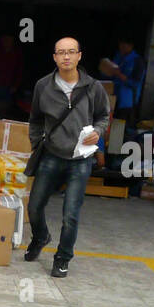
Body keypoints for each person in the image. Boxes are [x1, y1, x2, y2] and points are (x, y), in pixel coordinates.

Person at [26, 37, 112, 278]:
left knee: (70, 214)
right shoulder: (43, 86)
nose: (66, 56)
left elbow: (104, 115)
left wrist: (98, 131)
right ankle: (41, 236)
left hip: (81, 160)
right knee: (34, 207)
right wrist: (36, 142)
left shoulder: (93, 87)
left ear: (79, 56)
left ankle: (63, 258)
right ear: (54, 57)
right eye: (61, 52)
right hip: (52, 155)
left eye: (71, 52)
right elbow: (35, 119)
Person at [107, 37, 144, 129]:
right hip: (114, 96)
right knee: (111, 124)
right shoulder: (118, 56)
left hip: (127, 100)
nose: (122, 48)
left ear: (131, 46)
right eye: (120, 45)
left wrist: (119, 74)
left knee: (122, 126)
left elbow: (136, 83)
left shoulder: (137, 60)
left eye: (124, 46)